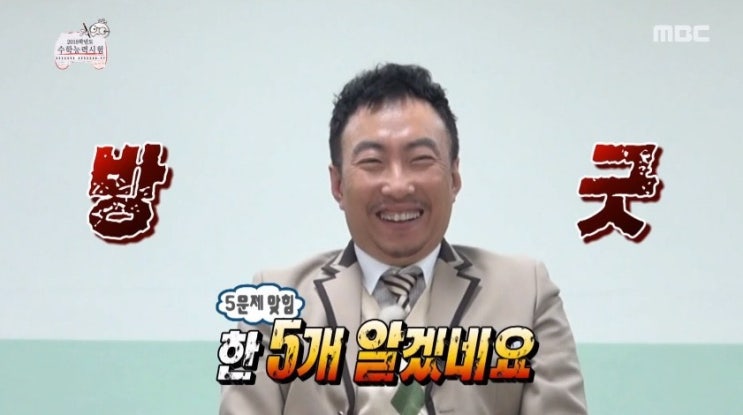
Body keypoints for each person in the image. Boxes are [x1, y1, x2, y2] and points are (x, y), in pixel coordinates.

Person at [219, 63, 587, 414]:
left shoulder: (527, 294)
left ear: (454, 177)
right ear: (338, 184)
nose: (398, 185)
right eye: (372, 162)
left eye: (420, 159)